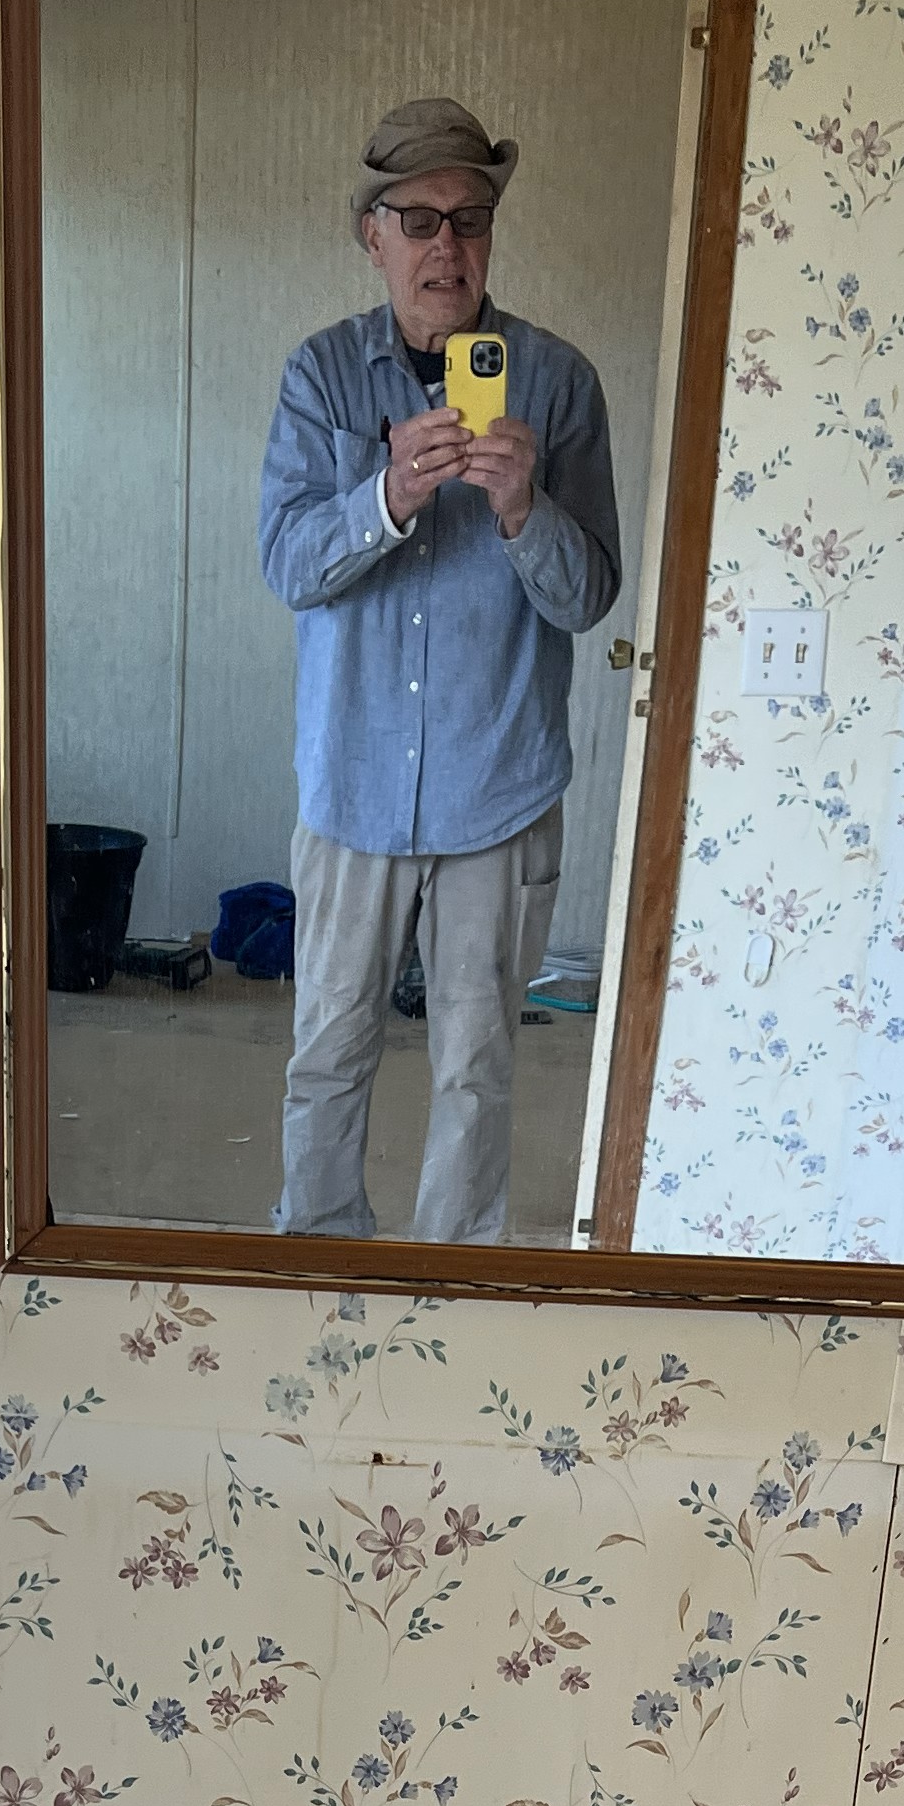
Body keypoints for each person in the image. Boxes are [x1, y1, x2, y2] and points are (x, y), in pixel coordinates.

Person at [258, 97, 622, 1245]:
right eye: (418, 220)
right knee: (327, 1049)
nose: (446, 246)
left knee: (476, 1066)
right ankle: (317, 1263)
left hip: (497, 787)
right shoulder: (320, 379)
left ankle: (459, 1287)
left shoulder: (557, 384)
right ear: (372, 235)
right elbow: (287, 565)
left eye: (470, 219)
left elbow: (589, 597)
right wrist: (384, 498)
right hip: (353, 785)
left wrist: (523, 510)